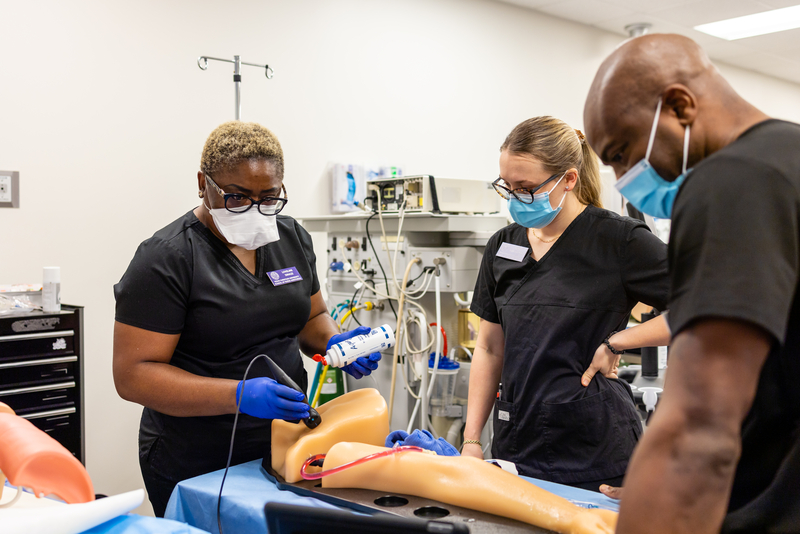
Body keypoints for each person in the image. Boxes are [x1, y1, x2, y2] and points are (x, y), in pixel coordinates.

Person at [584, 33, 800, 533]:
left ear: (679, 105)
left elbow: (697, 430)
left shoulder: (733, 181)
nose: (621, 177)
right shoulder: (787, 160)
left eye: (622, 153)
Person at [112, 121, 381, 516]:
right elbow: (133, 375)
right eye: (237, 197)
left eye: (269, 197)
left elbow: (312, 317)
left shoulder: (291, 237)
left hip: (285, 441)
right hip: (196, 453)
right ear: (203, 183)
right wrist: (237, 396)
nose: (255, 210)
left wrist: (335, 343)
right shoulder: (167, 258)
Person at [461, 116, 671, 492]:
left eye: (525, 188)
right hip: (516, 443)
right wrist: (472, 441)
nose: (515, 198)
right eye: (506, 187)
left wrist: (618, 342)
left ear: (568, 179)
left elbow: (706, 305)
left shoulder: (619, 240)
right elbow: (490, 348)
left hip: (595, 449)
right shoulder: (502, 246)